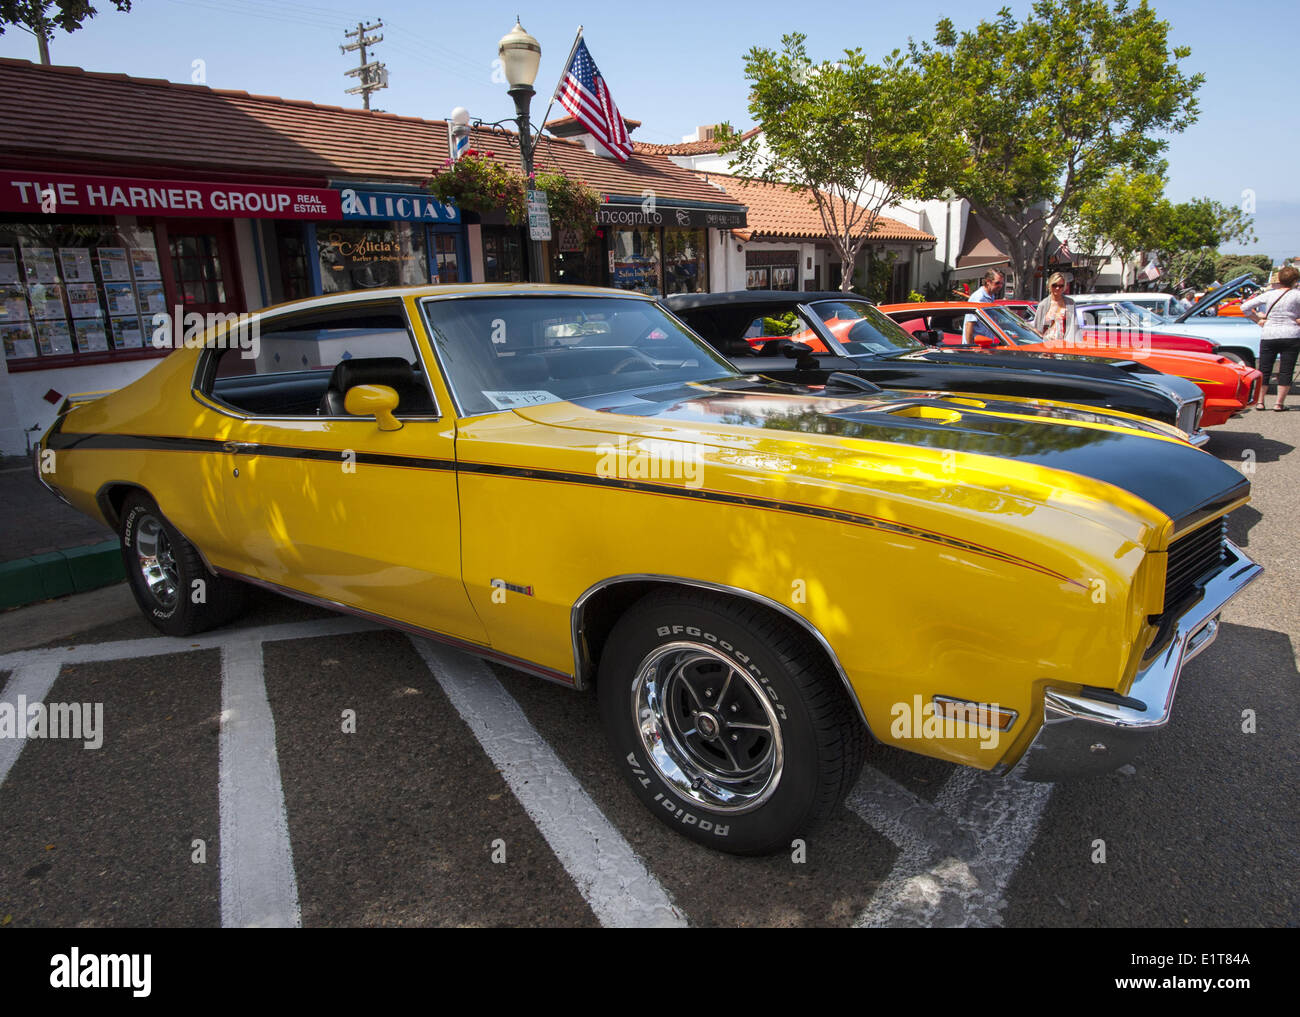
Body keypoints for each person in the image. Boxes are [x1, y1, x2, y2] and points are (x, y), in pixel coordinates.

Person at [1240, 265, 1300, 411]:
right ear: (1295, 281)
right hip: (1291, 334)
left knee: (1264, 369)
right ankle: (1279, 403)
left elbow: (1244, 307)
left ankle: (1260, 401)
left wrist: (1258, 320)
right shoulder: (1297, 295)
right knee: (1286, 370)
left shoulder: (1270, 294)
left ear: (1280, 279)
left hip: (1269, 334)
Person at [1033, 272, 1082, 344]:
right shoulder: (1043, 305)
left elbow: (1074, 327)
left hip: (1065, 344)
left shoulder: (1070, 303)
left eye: (1061, 286)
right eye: (1054, 285)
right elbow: (1036, 328)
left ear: (1064, 287)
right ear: (1049, 285)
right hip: (1047, 345)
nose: (1057, 288)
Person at [963, 269, 1006, 341]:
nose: (1000, 286)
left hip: (986, 343)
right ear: (988, 282)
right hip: (977, 345)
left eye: (1002, 283)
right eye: (997, 283)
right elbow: (969, 324)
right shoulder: (979, 298)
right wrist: (970, 346)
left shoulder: (991, 296)